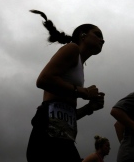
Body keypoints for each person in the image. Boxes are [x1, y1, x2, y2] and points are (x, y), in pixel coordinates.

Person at [26, 10, 105, 162]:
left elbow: (66, 112)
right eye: (98, 34)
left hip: (63, 132)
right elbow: (43, 79)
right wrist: (83, 92)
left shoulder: (81, 65)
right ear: (83, 34)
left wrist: (89, 108)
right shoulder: (72, 48)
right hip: (48, 129)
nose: (103, 40)